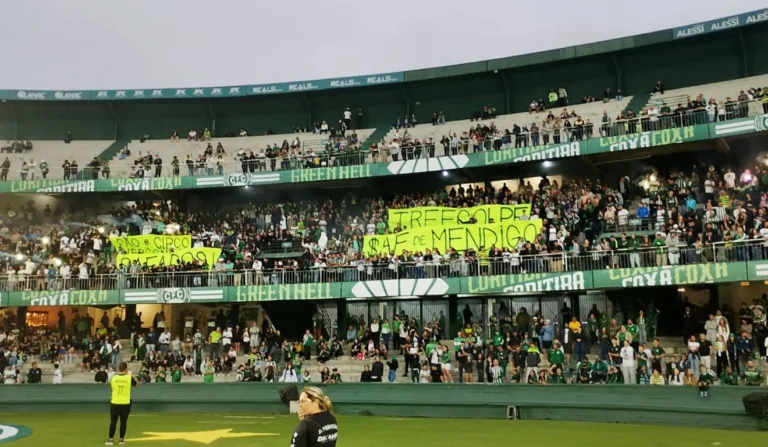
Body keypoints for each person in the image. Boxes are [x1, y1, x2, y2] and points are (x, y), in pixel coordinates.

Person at [107, 361, 138, 446]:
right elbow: (137, 385)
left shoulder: (114, 378)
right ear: (126, 369)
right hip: (125, 403)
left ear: (118, 368)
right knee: (123, 422)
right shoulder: (129, 378)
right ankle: (121, 439)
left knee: (113, 422)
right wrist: (131, 375)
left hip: (115, 402)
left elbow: (112, 386)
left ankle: (110, 439)